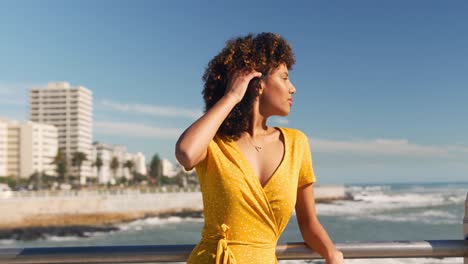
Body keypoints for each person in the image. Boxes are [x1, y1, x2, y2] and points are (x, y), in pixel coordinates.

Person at [175, 32, 344, 264]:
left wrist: (332, 253)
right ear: (258, 84)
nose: (292, 88)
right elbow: (186, 153)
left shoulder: (297, 143)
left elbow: (308, 223)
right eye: (284, 78)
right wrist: (232, 96)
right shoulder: (215, 142)